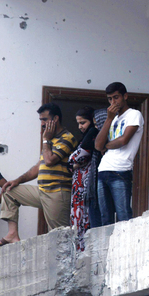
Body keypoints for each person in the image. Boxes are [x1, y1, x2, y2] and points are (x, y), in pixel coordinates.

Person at [0, 103, 77, 247]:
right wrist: (17, 181)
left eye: (45, 120)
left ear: (55, 119)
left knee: (60, 236)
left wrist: (46, 139)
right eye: (40, 120)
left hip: (57, 193)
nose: (42, 124)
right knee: (9, 191)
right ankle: (12, 234)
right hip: (42, 191)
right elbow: (39, 167)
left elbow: (49, 160)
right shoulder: (50, 140)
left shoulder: (67, 138)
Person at [95, 82, 144, 225]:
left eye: (116, 97)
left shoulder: (134, 114)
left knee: (123, 216)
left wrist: (106, 146)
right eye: (110, 99)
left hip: (121, 170)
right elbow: (97, 145)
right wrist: (109, 118)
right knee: (105, 218)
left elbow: (124, 140)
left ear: (125, 96)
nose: (113, 102)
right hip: (103, 169)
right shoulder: (113, 119)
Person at [68, 106, 98, 251]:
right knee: (77, 220)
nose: (80, 127)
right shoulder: (85, 138)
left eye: (83, 122)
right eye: (78, 123)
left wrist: (72, 162)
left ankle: (84, 250)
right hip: (78, 186)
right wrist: (72, 164)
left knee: (84, 218)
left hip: (85, 187)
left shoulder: (94, 134)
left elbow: (78, 157)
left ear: (92, 121)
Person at [87, 108, 107, 228]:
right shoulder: (96, 140)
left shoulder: (109, 145)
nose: (95, 128)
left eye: (97, 124)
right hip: (94, 189)